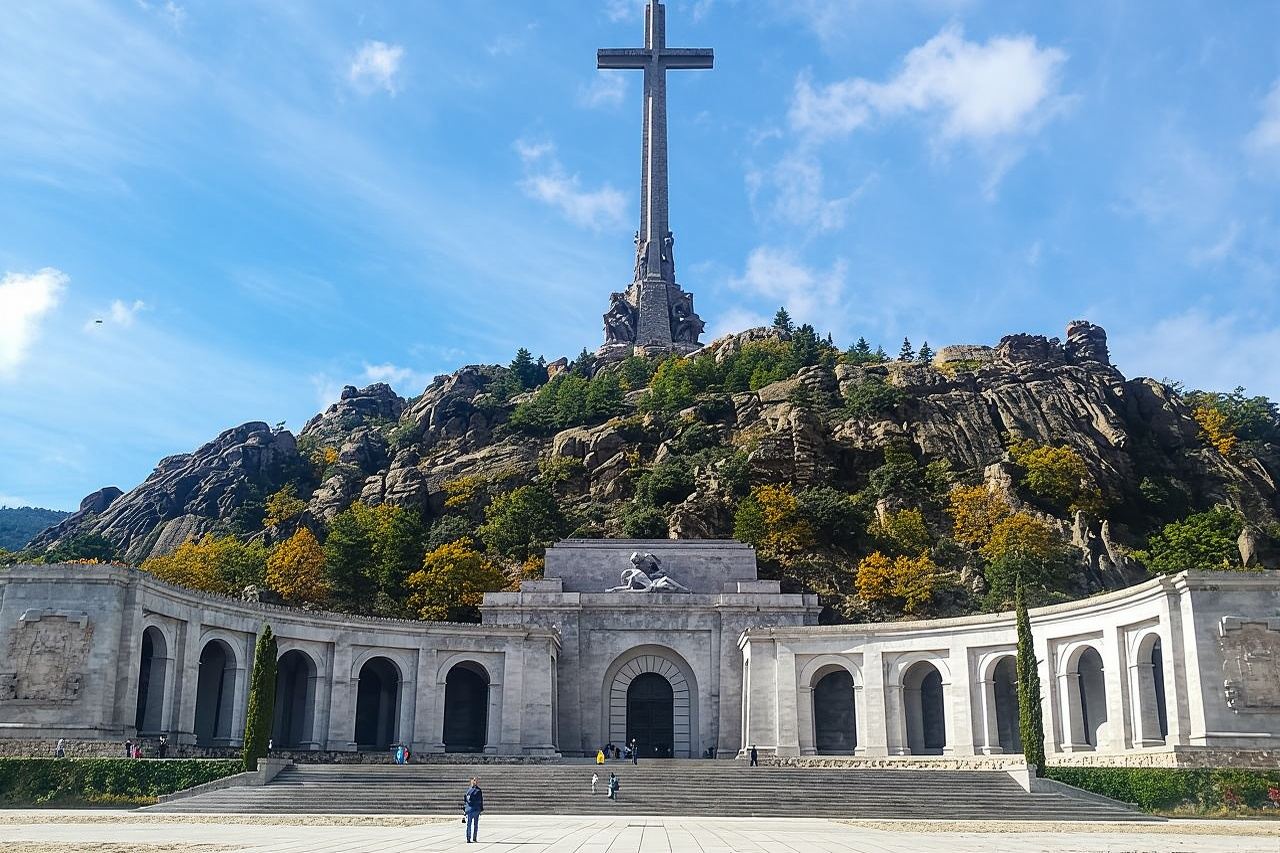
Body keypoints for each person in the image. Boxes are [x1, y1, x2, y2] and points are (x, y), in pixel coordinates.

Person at [462, 777, 483, 844]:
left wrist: (465, 809)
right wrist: (481, 809)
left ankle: (469, 838)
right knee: (475, 824)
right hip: (475, 809)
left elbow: (466, 800)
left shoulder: (469, 790)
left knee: (469, 824)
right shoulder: (478, 790)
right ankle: (474, 837)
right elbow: (480, 801)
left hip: (470, 809)